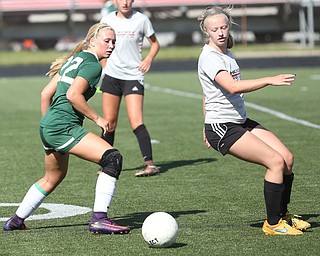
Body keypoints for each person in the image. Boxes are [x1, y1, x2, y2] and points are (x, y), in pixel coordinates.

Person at [3, 23, 130, 235]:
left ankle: (15, 221)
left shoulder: (74, 59)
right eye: (106, 41)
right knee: (112, 158)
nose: (111, 46)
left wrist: (50, 123)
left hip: (50, 125)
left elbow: (45, 94)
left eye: (114, 42)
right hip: (62, 126)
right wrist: (97, 118)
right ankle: (99, 219)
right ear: (92, 41)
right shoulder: (93, 66)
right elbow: (73, 95)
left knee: (53, 177)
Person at [197, 6, 311, 235]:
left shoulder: (225, 53)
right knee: (275, 162)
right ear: (206, 31)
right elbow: (232, 86)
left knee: (287, 158)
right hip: (223, 127)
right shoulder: (209, 57)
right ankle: (272, 224)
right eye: (214, 29)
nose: (220, 32)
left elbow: (207, 93)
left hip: (237, 121)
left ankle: (283, 214)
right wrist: (270, 79)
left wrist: (204, 121)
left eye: (224, 27)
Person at [100, 0, 160, 177]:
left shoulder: (141, 20)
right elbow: (98, 43)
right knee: (108, 123)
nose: (125, 2)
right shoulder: (107, 19)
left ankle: (150, 164)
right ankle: (105, 164)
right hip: (111, 77)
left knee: (136, 122)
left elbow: (155, 44)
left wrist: (148, 59)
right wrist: (104, 66)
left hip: (133, 77)